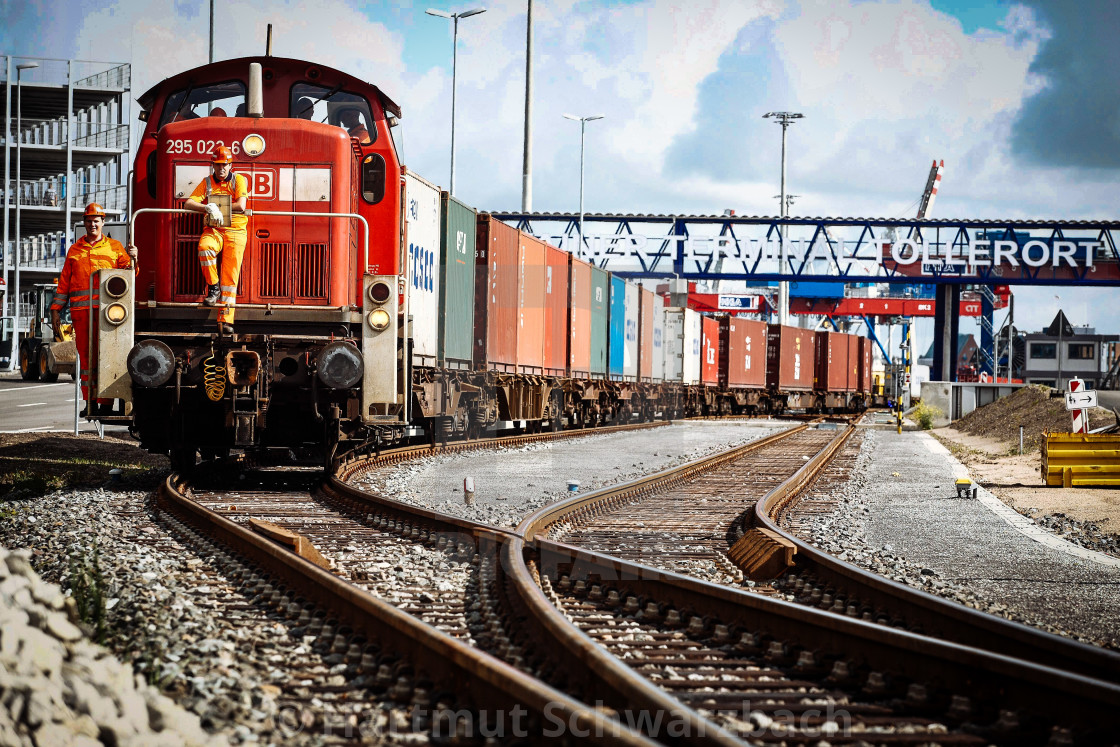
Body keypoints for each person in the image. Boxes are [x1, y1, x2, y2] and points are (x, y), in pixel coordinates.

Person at [50, 202, 137, 415]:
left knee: (107, 356)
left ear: (102, 222)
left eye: (96, 221)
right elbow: (64, 283)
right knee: (87, 361)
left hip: (108, 313)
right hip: (81, 314)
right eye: (89, 221)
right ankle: (90, 403)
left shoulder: (115, 247)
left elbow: (130, 275)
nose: (92, 224)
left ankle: (105, 404)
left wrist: (134, 258)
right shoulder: (74, 250)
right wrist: (56, 310)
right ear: (84, 222)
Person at [183, 146, 251, 335]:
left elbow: (241, 205)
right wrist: (207, 208)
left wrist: (218, 208)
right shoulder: (207, 182)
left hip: (236, 230)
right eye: (218, 165)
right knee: (204, 247)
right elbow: (188, 203)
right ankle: (213, 287)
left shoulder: (239, 180)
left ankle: (226, 320)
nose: (221, 169)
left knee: (230, 278)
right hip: (214, 228)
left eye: (225, 165)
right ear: (213, 165)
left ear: (230, 165)